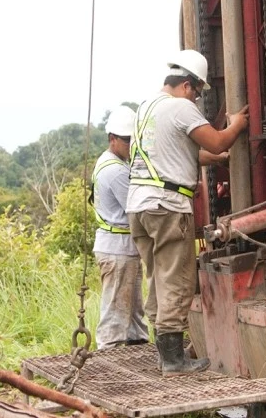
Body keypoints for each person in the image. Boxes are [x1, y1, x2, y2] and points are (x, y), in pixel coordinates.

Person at [126, 49, 249, 376]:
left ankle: (163, 351)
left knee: (157, 277)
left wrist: (217, 160)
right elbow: (219, 141)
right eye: (197, 92)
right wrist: (236, 124)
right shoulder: (181, 108)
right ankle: (174, 360)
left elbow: (180, 154)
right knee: (177, 279)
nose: (196, 99)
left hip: (138, 207)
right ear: (187, 84)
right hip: (167, 207)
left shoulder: (145, 108)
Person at [92, 105, 148, 349]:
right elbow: (137, 206)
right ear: (112, 139)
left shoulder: (114, 162)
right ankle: (108, 363)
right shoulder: (114, 170)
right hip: (118, 250)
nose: (130, 145)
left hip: (125, 248)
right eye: (126, 140)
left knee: (134, 313)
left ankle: (138, 349)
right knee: (116, 314)